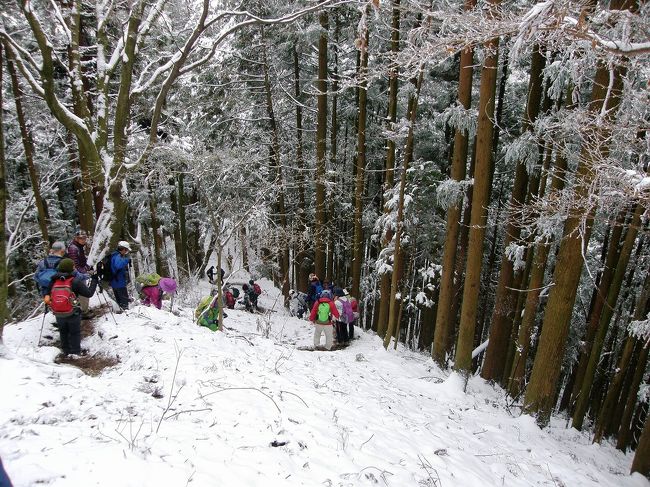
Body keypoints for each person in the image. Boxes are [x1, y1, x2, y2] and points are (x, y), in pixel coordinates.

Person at [45, 258, 99, 356]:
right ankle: (75, 352)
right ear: (71, 268)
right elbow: (89, 293)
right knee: (74, 332)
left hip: (58, 311)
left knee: (63, 331)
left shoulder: (53, 281)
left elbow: (47, 294)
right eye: (73, 266)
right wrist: (94, 280)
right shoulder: (74, 281)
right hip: (73, 311)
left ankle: (66, 351)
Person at [67, 230, 93, 318]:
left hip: (79, 273)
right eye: (81, 238)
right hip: (78, 275)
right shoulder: (74, 248)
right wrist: (85, 270)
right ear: (76, 238)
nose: (83, 240)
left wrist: (87, 267)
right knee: (83, 294)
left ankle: (82, 310)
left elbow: (81, 261)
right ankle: (83, 312)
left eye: (84, 238)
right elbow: (75, 265)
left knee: (81, 294)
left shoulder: (79, 247)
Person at [110, 241, 132, 311]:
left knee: (120, 301)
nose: (126, 252)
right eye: (126, 250)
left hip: (115, 282)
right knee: (124, 302)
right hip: (119, 282)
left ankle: (122, 312)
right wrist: (127, 260)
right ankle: (126, 314)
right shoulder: (117, 256)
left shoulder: (113, 255)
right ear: (123, 249)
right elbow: (118, 265)